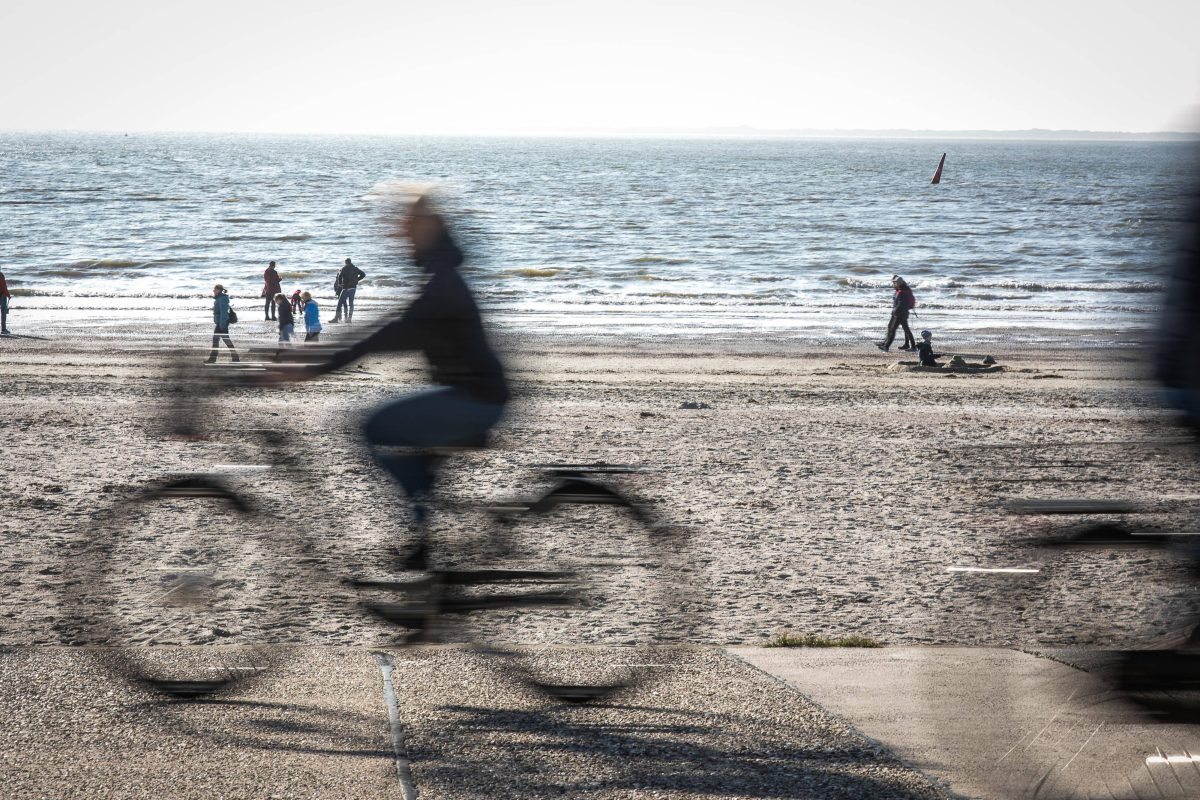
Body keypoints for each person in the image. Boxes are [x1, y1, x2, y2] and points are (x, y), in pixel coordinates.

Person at [274, 194, 508, 557]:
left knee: (370, 425)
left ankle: (422, 533)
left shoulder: (441, 286)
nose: (399, 234)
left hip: (475, 400)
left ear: (428, 229)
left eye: (407, 227)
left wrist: (314, 368)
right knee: (407, 446)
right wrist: (315, 359)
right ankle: (424, 526)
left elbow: (385, 336)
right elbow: (384, 331)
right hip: (473, 394)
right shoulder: (440, 277)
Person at [877, 275, 917, 352]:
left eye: (895, 283)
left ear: (899, 283)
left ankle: (886, 346)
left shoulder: (902, 291)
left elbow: (901, 304)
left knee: (893, 329)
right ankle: (912, 346)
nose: (894, 284)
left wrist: (895, 312)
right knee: (903, 329)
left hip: (900, 314)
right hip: (901, 313)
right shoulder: (901, 289)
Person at [205, 284, 239, 363]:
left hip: (222, 322)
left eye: (215, 289)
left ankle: (213, 359)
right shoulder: (220, 298)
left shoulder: (221, 299)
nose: (213, 291)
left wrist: (222, 324)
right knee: (225, 340)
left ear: (219, 290)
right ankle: (235, 357)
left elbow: (224, 313)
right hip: (221, 322)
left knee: (216, 339)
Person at [331, 257, 366, 323]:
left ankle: (336, 319)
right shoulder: (355, 268)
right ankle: (349, 319)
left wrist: (340, 284)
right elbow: (363, 274)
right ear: (350, 262)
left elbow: (339, 276)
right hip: (353, 288)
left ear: (346, 262)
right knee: (351, 303)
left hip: (346, 288)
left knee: (339, 303)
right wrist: (357, 280)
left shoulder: (344, 268)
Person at [0, 270, 10, 335]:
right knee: (3, 312)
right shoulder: (0, 275)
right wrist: (8, 295)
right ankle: (3, 329)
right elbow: (4, 286)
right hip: (2, 295)